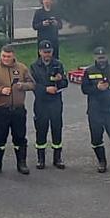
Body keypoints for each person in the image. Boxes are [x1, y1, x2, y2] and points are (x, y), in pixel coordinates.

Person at [0, 46, 36, 176]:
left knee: (20, 137)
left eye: (8, 56)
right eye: (3, 56)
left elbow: (32, 84)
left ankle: (21, 163)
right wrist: (0, 90)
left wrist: (23, 86)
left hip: (18, 110)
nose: (6, 59)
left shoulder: (22, 68)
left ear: (13, 56)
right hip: (1, 110)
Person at [31, 42, 70, 170]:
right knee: (41, 129)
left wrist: (60, 80)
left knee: (57, 129)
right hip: (41, 103)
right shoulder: (34, 66)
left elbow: (65, 83)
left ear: (52, 52)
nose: (47, 54)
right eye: (45, 52)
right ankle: (40, 159)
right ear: (40, 52)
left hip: (55, 102)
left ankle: (57, 158)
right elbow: (33, 86)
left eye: (49, 52)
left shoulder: (58, 64)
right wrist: (46, 89)